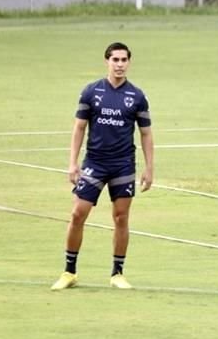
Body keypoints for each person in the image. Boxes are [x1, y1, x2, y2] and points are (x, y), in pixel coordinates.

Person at [51, 42, 154, 291]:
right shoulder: (91, 91)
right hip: (95, 164)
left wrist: (149, 168)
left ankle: (117, 273)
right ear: (106, 61)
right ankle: (69, 271)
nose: (119, 64)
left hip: (123, 165)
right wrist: (73, 163)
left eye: (123, 60)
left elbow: (146, 134)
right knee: (78, 214)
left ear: (129, 62)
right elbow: (79, 128)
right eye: (115, 59)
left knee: (121, 217)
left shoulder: (137, 96)